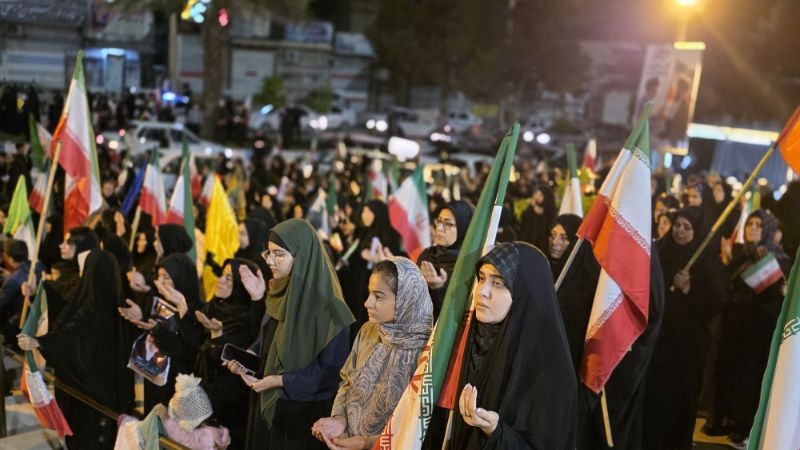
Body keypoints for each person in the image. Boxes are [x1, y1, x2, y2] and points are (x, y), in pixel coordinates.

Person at [228, 218, 354, 449]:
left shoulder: (332, 311)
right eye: (269, 253)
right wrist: (250, 357)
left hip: (302, 417)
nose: (270, 261)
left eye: (279, 254)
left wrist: (280, 380)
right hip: (269, 402)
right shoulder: (280, 292)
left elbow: (330, 374)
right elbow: (268, 340)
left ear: (301, 256)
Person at [447, 241, 577, 449]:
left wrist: (496, 431)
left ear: (524, 293)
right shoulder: (472, 341)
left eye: (499, 283)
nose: (482, 291)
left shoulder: (552, 372)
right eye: (482, 278)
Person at [18, 227, 134, 449]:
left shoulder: (93, 307)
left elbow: (75, 332)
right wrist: (37, 295)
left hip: (92, 390)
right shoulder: (98, 297)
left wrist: (42, 342)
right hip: (96, 387)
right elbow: (66, 308)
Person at [312, 257, 433, 448]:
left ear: (405, 301)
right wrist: (339, 419)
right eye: (370, 293)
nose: (367, 303)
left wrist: (367, 443)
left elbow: (415, 422)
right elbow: (347, 380)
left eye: (378, 296)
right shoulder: (369, 331)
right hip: (349, 439)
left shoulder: (426, 352)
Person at [643, 206, 728, 450]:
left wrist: (690, 289)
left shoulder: (705, 260)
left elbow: (718, 301)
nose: (680, 231)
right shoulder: (662, 251)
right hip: (658, 341)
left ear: (697, 231)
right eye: (677, 225)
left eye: (687, 227)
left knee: (678, 403)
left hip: (686, 349)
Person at [709, 209, 791, 443]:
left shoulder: (779, 260)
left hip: (758, 333)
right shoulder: (742, 256)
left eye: (758, 225)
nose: (752, 228)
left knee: (750, 379)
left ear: (768, 230)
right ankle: (725, 418)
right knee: (729, 375)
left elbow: (774, 296)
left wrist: (765, 267)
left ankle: (745, 426)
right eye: (750, 224)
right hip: (734, 329)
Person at [195, 258, 266, 448]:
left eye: (229, 279)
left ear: (240, 288)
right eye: (222, 275)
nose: (220, 281)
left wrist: (217, 336)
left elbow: (227, 361)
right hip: (207, 395)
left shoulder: (247, 318)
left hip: (232, 405)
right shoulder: (213, 307)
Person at [417, 200, 474, 321]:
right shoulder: (427, 256)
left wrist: (438, 288)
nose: (439, 228)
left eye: (448, 224)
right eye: (438, 221)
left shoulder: (469, 264)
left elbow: (459, 313)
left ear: (464, 228)